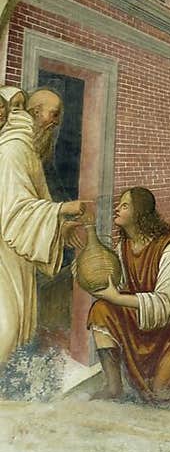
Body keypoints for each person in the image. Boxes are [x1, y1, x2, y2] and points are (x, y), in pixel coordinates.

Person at [87, 187, 170, 402]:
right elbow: (120, 283)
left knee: (164, 394)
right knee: (100, 310)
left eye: (124, 205)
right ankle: (113, 386)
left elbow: (166, 305)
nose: (117, 209)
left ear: (140, 212)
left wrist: (116, 298)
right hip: (143, 322)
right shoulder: (124, 247)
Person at [0, 88, 87, 369]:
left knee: (19, 325)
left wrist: (59, 227)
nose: (56, 122)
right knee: (7, 324)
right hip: (4, 253)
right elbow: (14, 209)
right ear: (36, 113)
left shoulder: (28, 147)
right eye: (54, 115)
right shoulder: (13, 149)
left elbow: (35, 202)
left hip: (16, 253)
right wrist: (63, 209)